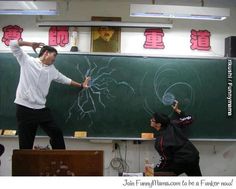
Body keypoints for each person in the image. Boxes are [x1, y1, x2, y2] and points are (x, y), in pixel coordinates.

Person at [10, 40, 90, 149]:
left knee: (56, 133)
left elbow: (65, 80)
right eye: (54, 56)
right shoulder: (27, 61)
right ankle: (25, 165)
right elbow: (13, 44)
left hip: (40, 109)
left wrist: (81, 85)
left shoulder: (52, 70)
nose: (54, 60)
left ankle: (60, 161)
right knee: (25, 144)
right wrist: (30, 44)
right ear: (46, 53)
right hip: (24, 109)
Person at [150, 100, 202, 176]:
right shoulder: (174, 123)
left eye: (152, 120)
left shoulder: (160, 141)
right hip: (193, 155)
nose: (150, 120)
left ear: (158, 124)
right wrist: (177, 110)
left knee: (159, 175)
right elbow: (190, 119)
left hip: (181, 161)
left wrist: (154, 171)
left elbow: (166, 160)